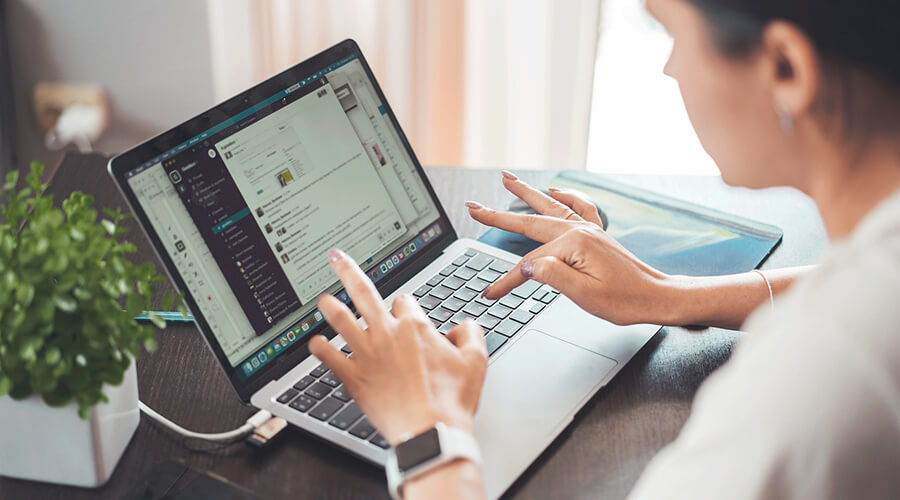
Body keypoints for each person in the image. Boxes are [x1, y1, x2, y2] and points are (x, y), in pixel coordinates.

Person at [308, 0, 900, 498]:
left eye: (672, 33)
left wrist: (428, 435)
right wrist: (669, 294)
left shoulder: (816, 377)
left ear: (787, 68)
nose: (670, 69)